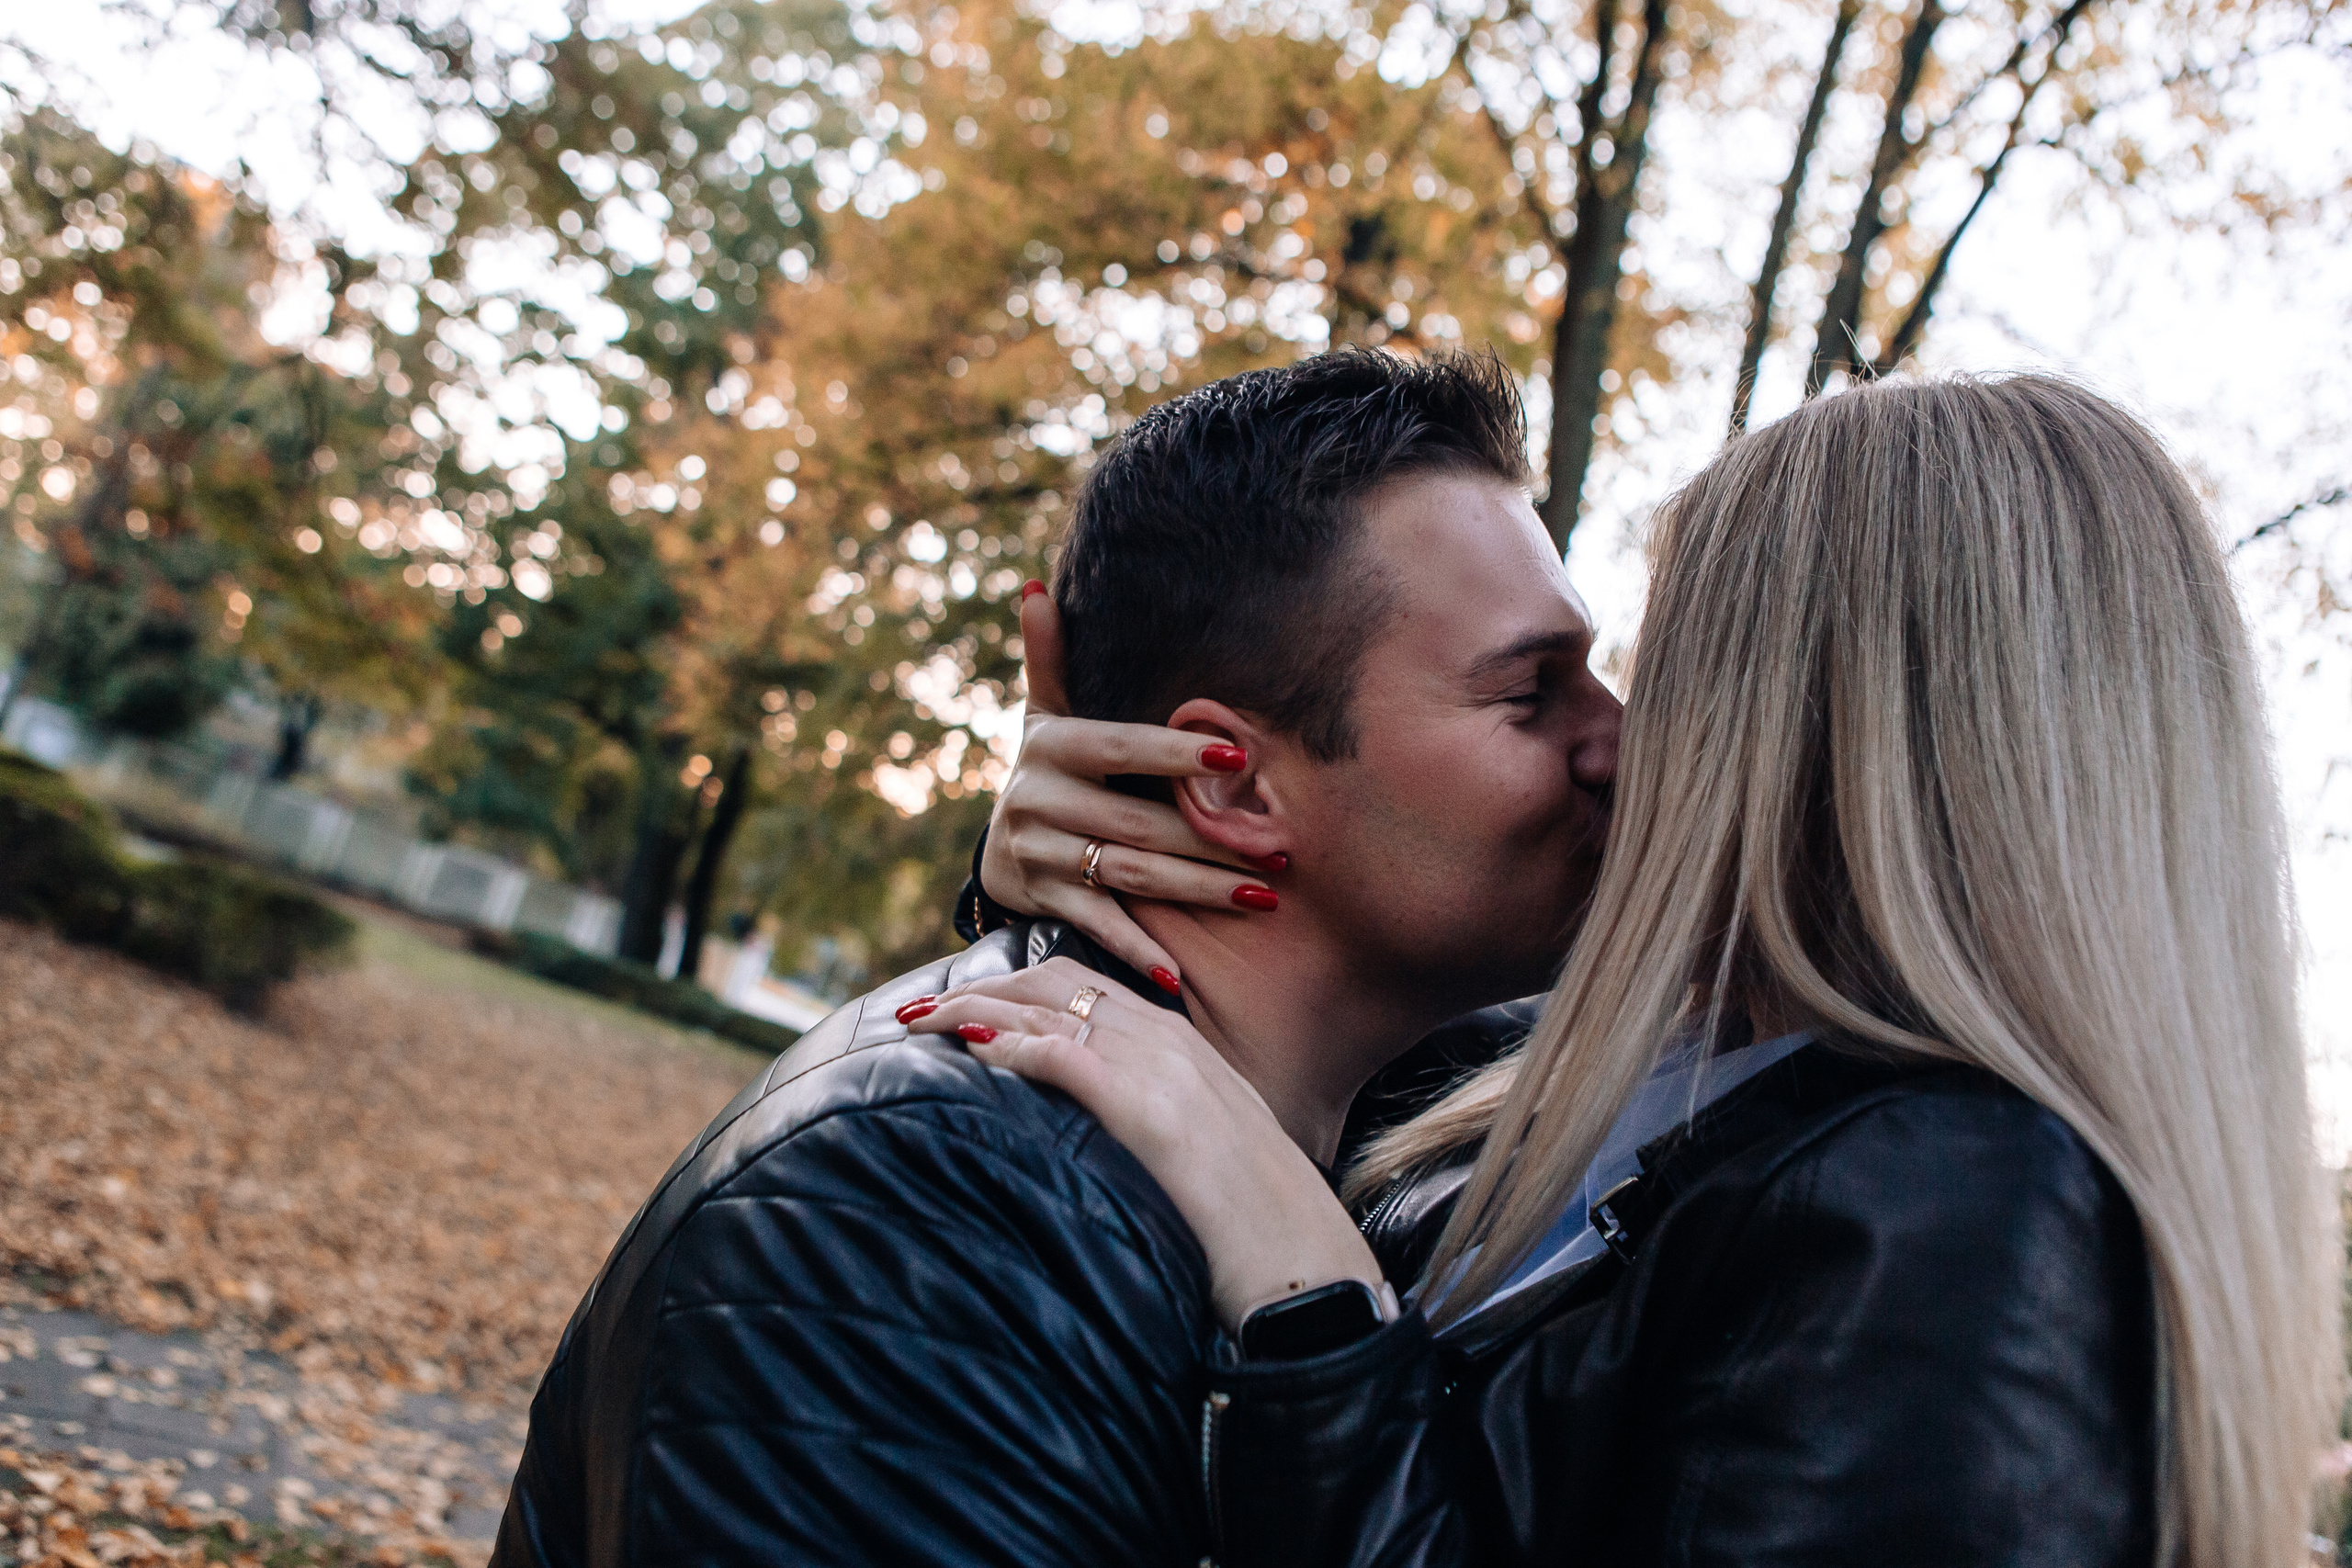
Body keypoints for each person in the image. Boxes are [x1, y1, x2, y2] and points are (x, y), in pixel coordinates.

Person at [921, 374, 2339, 1568]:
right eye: (1556, 685)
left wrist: (1316, 1318)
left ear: (1828, 735)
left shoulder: (1959, 1215)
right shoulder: (1571, 1076)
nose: (1612, 738)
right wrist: (1096, 865)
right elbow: (1252, 1036)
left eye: (1667, 673)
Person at [489, 347, 1622, 1566]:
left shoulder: (1394, 1138)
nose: (1623, 739)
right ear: (1229, 783)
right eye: (1534, 689)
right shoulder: (922, 1228)